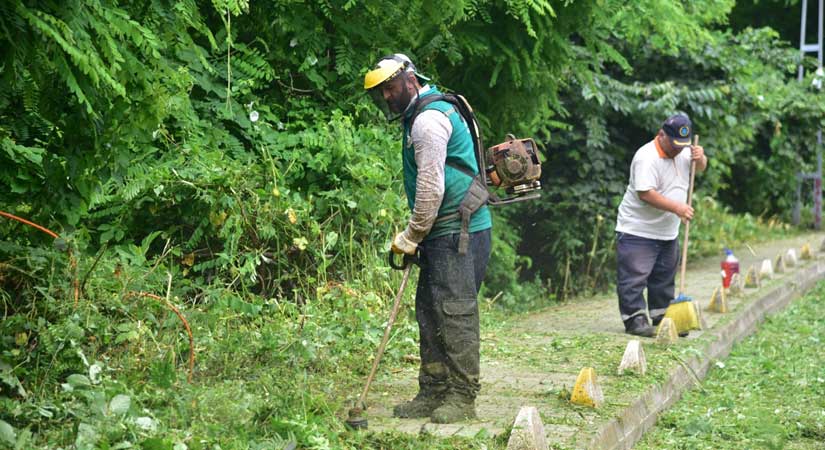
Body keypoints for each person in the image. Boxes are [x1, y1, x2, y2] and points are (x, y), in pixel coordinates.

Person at [363, 54, 492, 423]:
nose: (386, 97)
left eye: (390, 88)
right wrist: (420, 235)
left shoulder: (428, 122)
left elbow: (431, 190)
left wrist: (411, 235)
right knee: (429, 310)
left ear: (409, 80)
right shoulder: (420, 114)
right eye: (380, 92)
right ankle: (433, 390)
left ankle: (463, 397)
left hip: (457, 229)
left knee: (455, 312)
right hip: (443, 229)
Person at [615, 114, 707, 337]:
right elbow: (645, 193)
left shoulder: (684, 150)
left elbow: (700, 169)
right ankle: (634, 319)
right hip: (637, 229)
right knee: (634, 277)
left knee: (664, 277)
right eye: (674, 144)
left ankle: (663, 316)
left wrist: (701, 158)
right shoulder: (646, 157)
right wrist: (678, 208)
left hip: (667, 231)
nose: (679, 150)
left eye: (682, 145)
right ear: (661, 134)